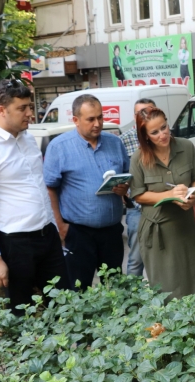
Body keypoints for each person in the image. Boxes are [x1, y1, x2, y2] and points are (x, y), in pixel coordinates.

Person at [0, 79, 70, 315]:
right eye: (22, 108)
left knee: (65, 305)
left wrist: (55, 227)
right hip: (15, 244)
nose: (30, 114)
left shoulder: (26, 138)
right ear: (1, 110)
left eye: (30, 107)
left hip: (47, 237)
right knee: (20, 312)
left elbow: (38, 187)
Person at [43, 94, 130, 291]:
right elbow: (49, 188)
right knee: (78, 289)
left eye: (100, 117)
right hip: (78, 233)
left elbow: (126, 179)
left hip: (111, 232)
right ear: (75, 120)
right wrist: (61, 227)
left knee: (115, 289)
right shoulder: (59, 147)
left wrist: (124, 189)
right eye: (91, 119)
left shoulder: (114, 143)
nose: (98, 123)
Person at [129, 106, 195, 299]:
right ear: (145, 136)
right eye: (154, 132)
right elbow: (138, 195)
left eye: (164, 127)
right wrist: (169, 194)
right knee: (165, 289)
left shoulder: (186, 146)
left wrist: (193, 198)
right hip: (157, 230)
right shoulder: (139, 158)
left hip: (184, 226)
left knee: (191, 282)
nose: (162, 135)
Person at [119, 98, 156, 277]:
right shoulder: (123, 140)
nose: (144, 115)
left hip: (162, 207)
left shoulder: (162, 137)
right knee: (136, 259)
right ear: (134, 116)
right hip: (137, 210)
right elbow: (120, 172)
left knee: (162, 258)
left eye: (149, 111)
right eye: (140, 112)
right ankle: (133, 303)